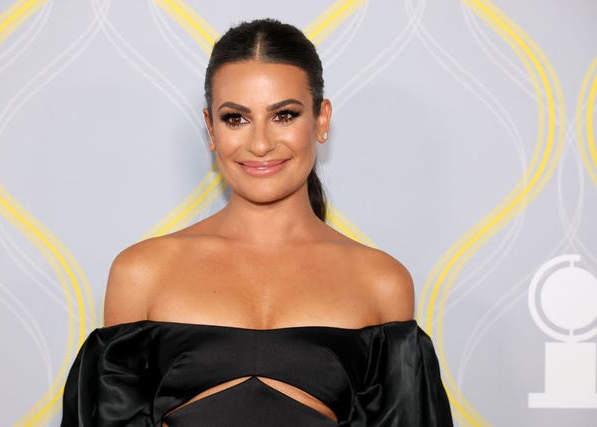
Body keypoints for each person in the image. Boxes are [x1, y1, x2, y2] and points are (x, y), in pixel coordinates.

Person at [61, 18, 453, 427]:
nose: (261, 143)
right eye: (236, 118)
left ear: (321, 120)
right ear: (211, 128)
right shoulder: (141, 273)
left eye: (284, 115)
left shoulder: (381, 281)